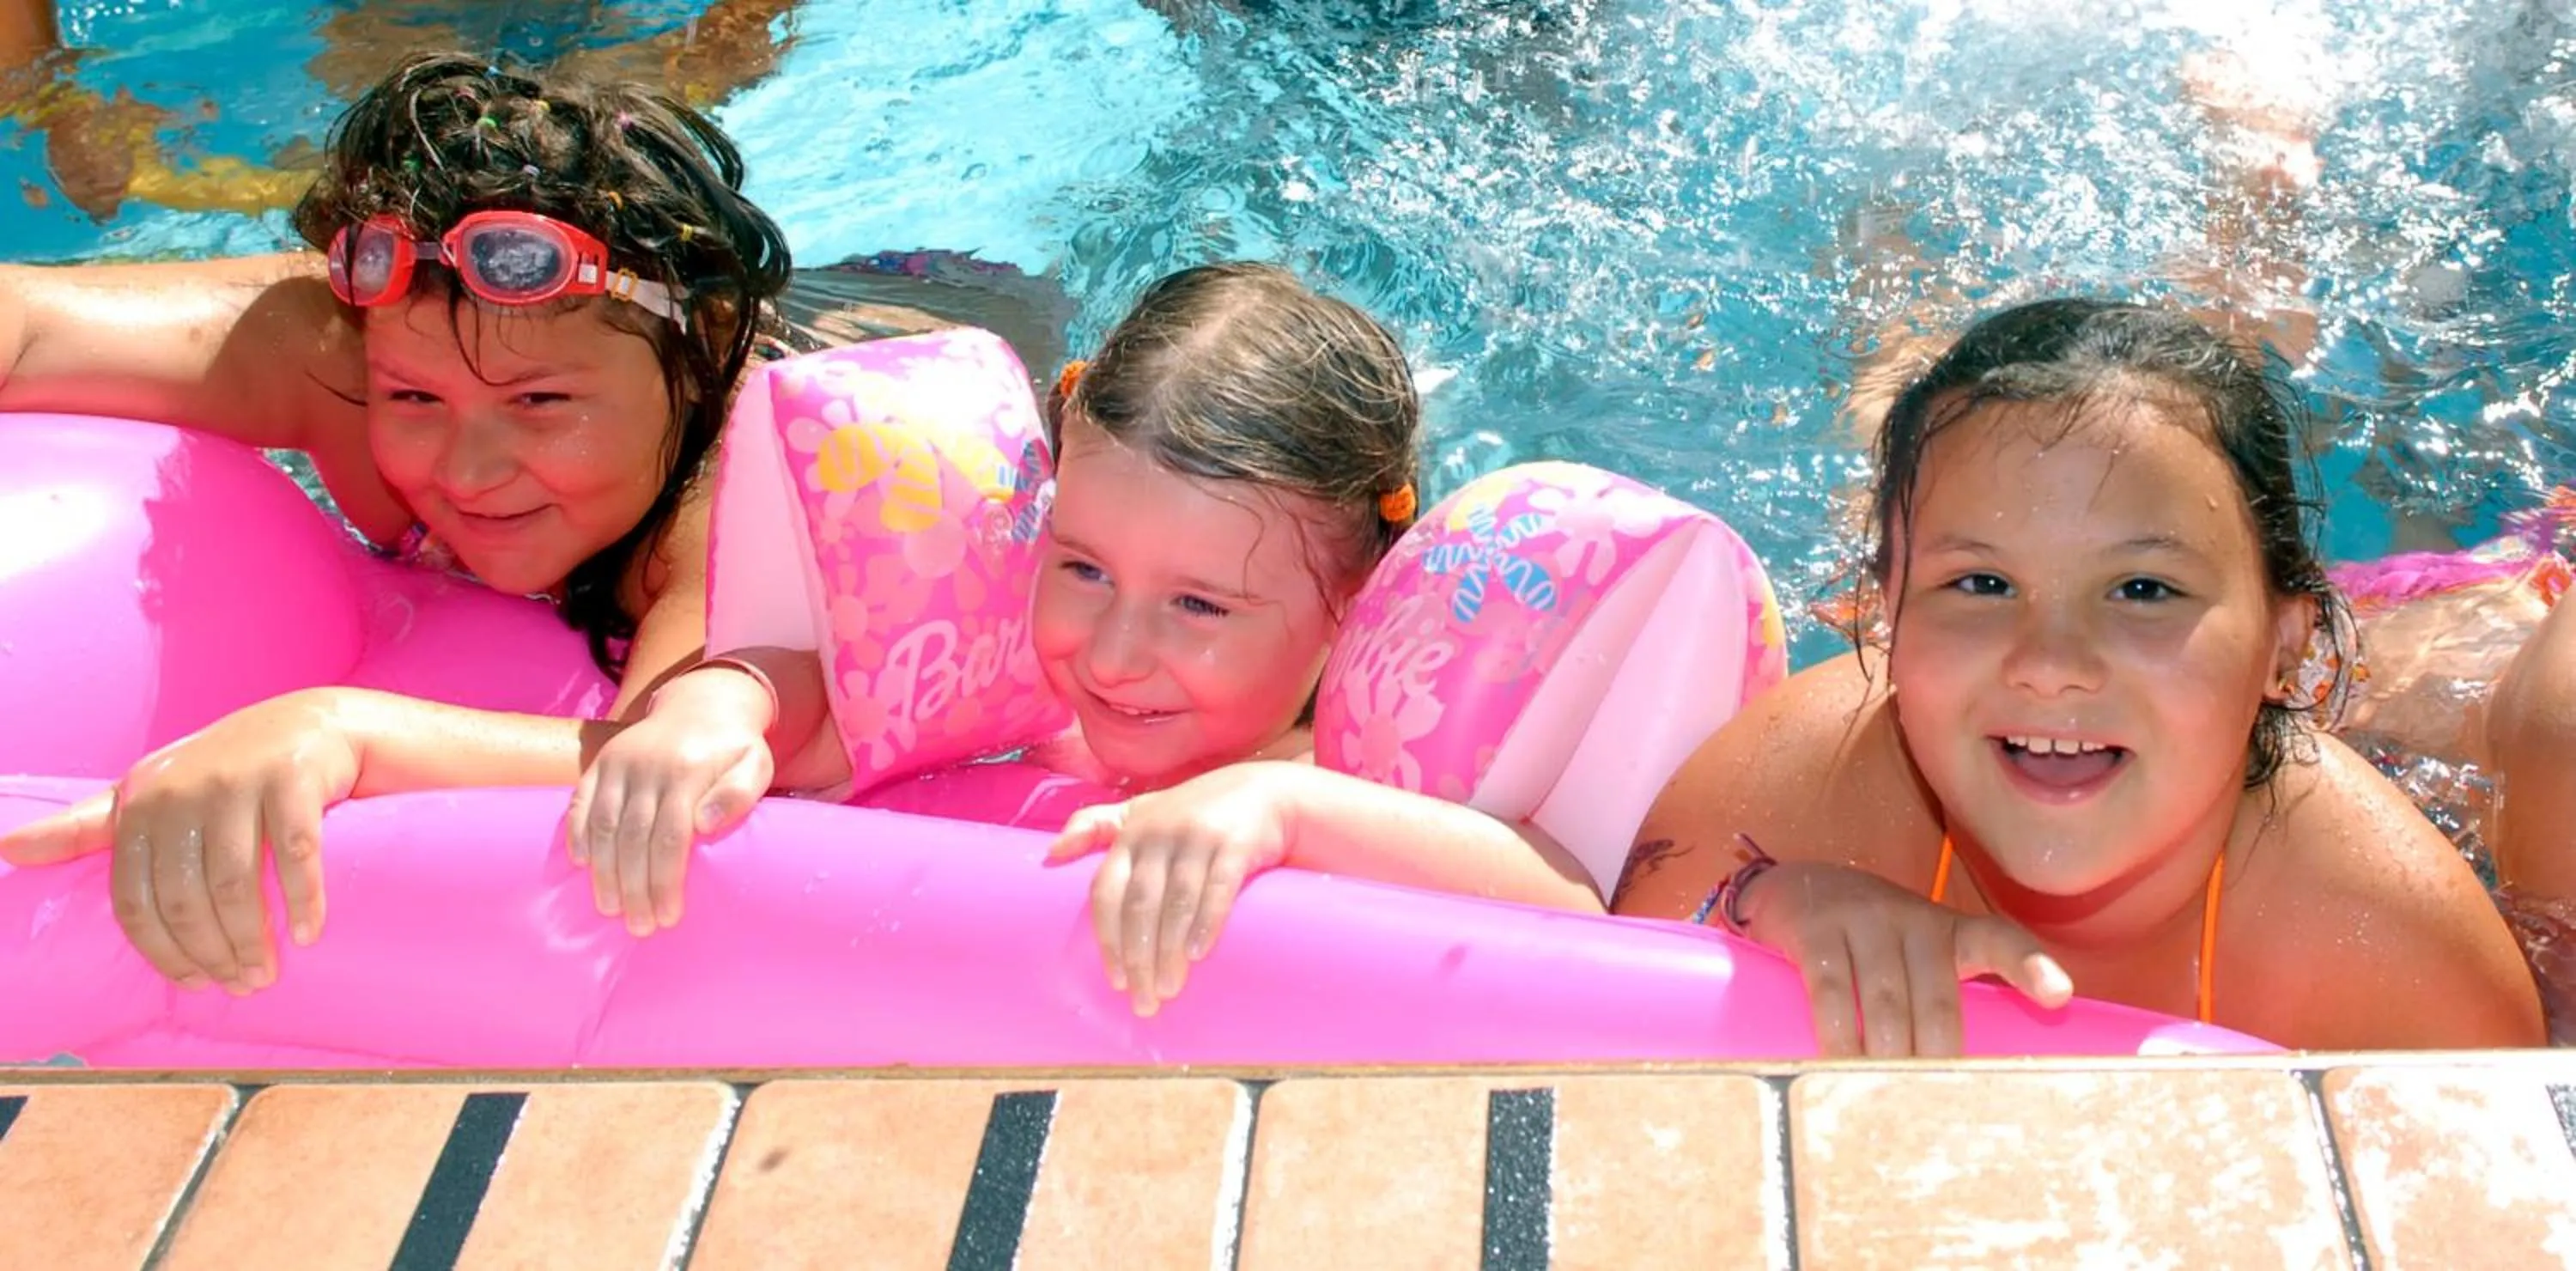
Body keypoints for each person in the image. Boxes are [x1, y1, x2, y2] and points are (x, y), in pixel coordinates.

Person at [575, 261, 1606, 1014]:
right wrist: (719, 705)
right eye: (1084, 569)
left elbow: (1572, 908)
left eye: (1199, 607)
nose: (1111, 656)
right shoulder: (1012, 691)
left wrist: (1281, 808)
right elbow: (821, 714)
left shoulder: (1350, 774)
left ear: (1362, 595)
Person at [0, 52, 799, 996]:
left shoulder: (739, 495)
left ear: (703, 349)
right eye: (413, 399)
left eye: (540, 402)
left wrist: (340, 730)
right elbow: (27, 326)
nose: (467, 472)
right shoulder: (354, 351)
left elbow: (667, 755)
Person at [1610, 297, 2543, 1055]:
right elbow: (1601, 1003)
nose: (2049, 665)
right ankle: (1888, 303)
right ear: (1885, 614)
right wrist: (1751, 906)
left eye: (2144, 589)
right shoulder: (1785, 795)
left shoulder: (2396, 956)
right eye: (1981, 585)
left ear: (2284, 646)